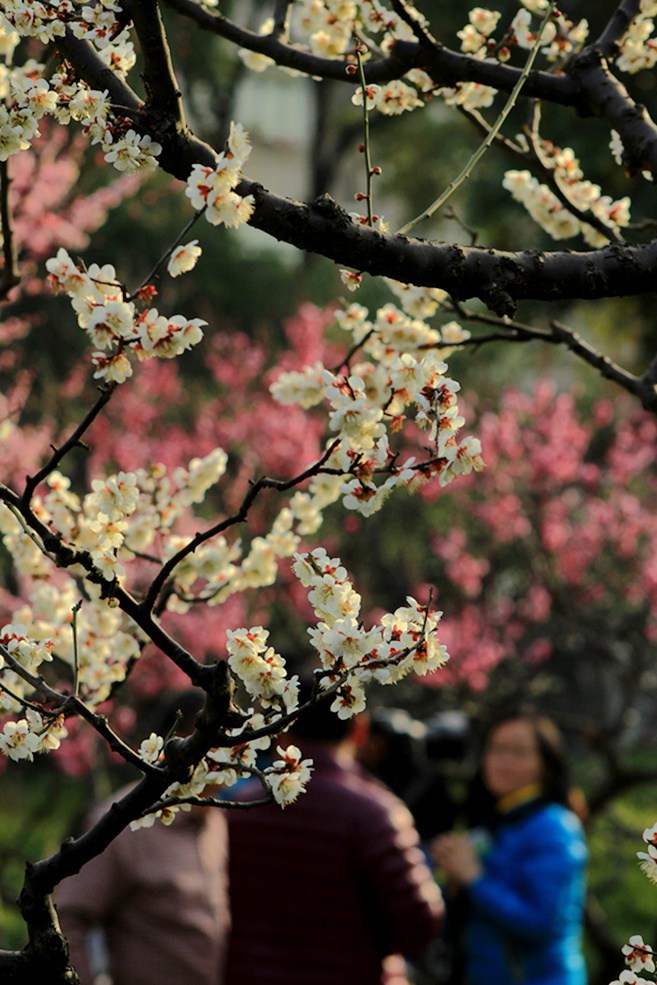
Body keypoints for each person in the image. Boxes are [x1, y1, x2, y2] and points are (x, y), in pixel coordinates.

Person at [224, 686, 445, 985]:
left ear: (281, 731)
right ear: (360, 730)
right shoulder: (376, 813)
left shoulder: (238, 808)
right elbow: (419, 924)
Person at [55, 690, 230, 985]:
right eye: (215, 743)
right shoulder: (124, 823)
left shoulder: (214, 819)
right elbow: (67, 919)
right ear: (175, 744)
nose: (226, 756)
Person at [431, 713, 588, 985]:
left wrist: (473, 878)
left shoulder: (554, 827)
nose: (503, 760)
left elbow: (540, 923)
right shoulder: (498, 818)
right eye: (496, 749)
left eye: (518, 752)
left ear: (546, 764)